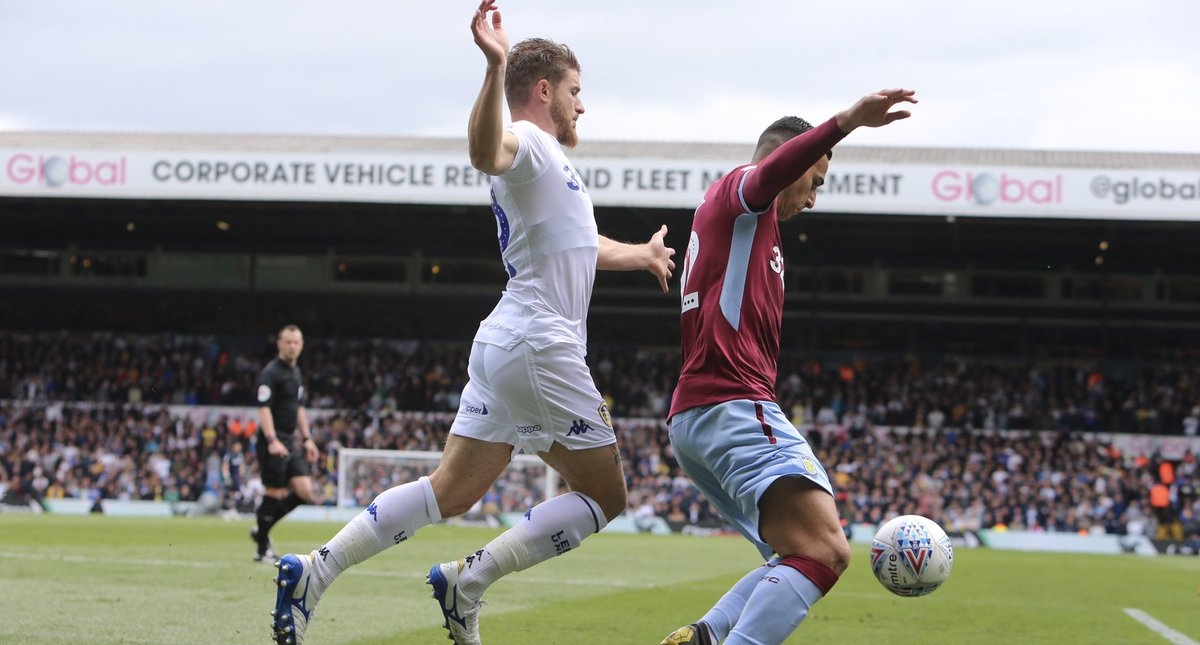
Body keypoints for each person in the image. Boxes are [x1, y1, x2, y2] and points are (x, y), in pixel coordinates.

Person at [269, 2, 675, 644]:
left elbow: (580, 243)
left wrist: (641, 255)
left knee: (450, 492)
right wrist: (493, 67)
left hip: (505, 341)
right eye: (575, 91)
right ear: (544, 91)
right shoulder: (530, 142)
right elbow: (487, 150)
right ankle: (469, 581)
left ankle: (313, 571)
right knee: (604, 497)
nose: (582, 105)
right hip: (540, 341)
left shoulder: (553, 167)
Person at [660, 89, 917, 645]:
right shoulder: (740, 195)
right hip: (732, 402)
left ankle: (704, 636)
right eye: (815, 181)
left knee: (796, 552)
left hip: (701, 413)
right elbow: (771, 172)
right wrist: (846, 122)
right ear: (790, 160)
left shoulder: (747, 227)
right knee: (825, 551)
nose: (815, 199)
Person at [252, 324, 318, 563]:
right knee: (274, 492)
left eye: (296, 342)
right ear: (279, 343)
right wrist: (272, 440)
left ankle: (261, 530)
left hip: (290, 440)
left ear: (301, 345)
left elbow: (298, 408)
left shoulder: (296, 372)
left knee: (304, 491)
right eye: (288, 342)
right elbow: (264, 409)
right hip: (273, 440)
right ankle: (261, 549)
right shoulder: (271, 373)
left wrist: (307, 439)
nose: (292, 346)